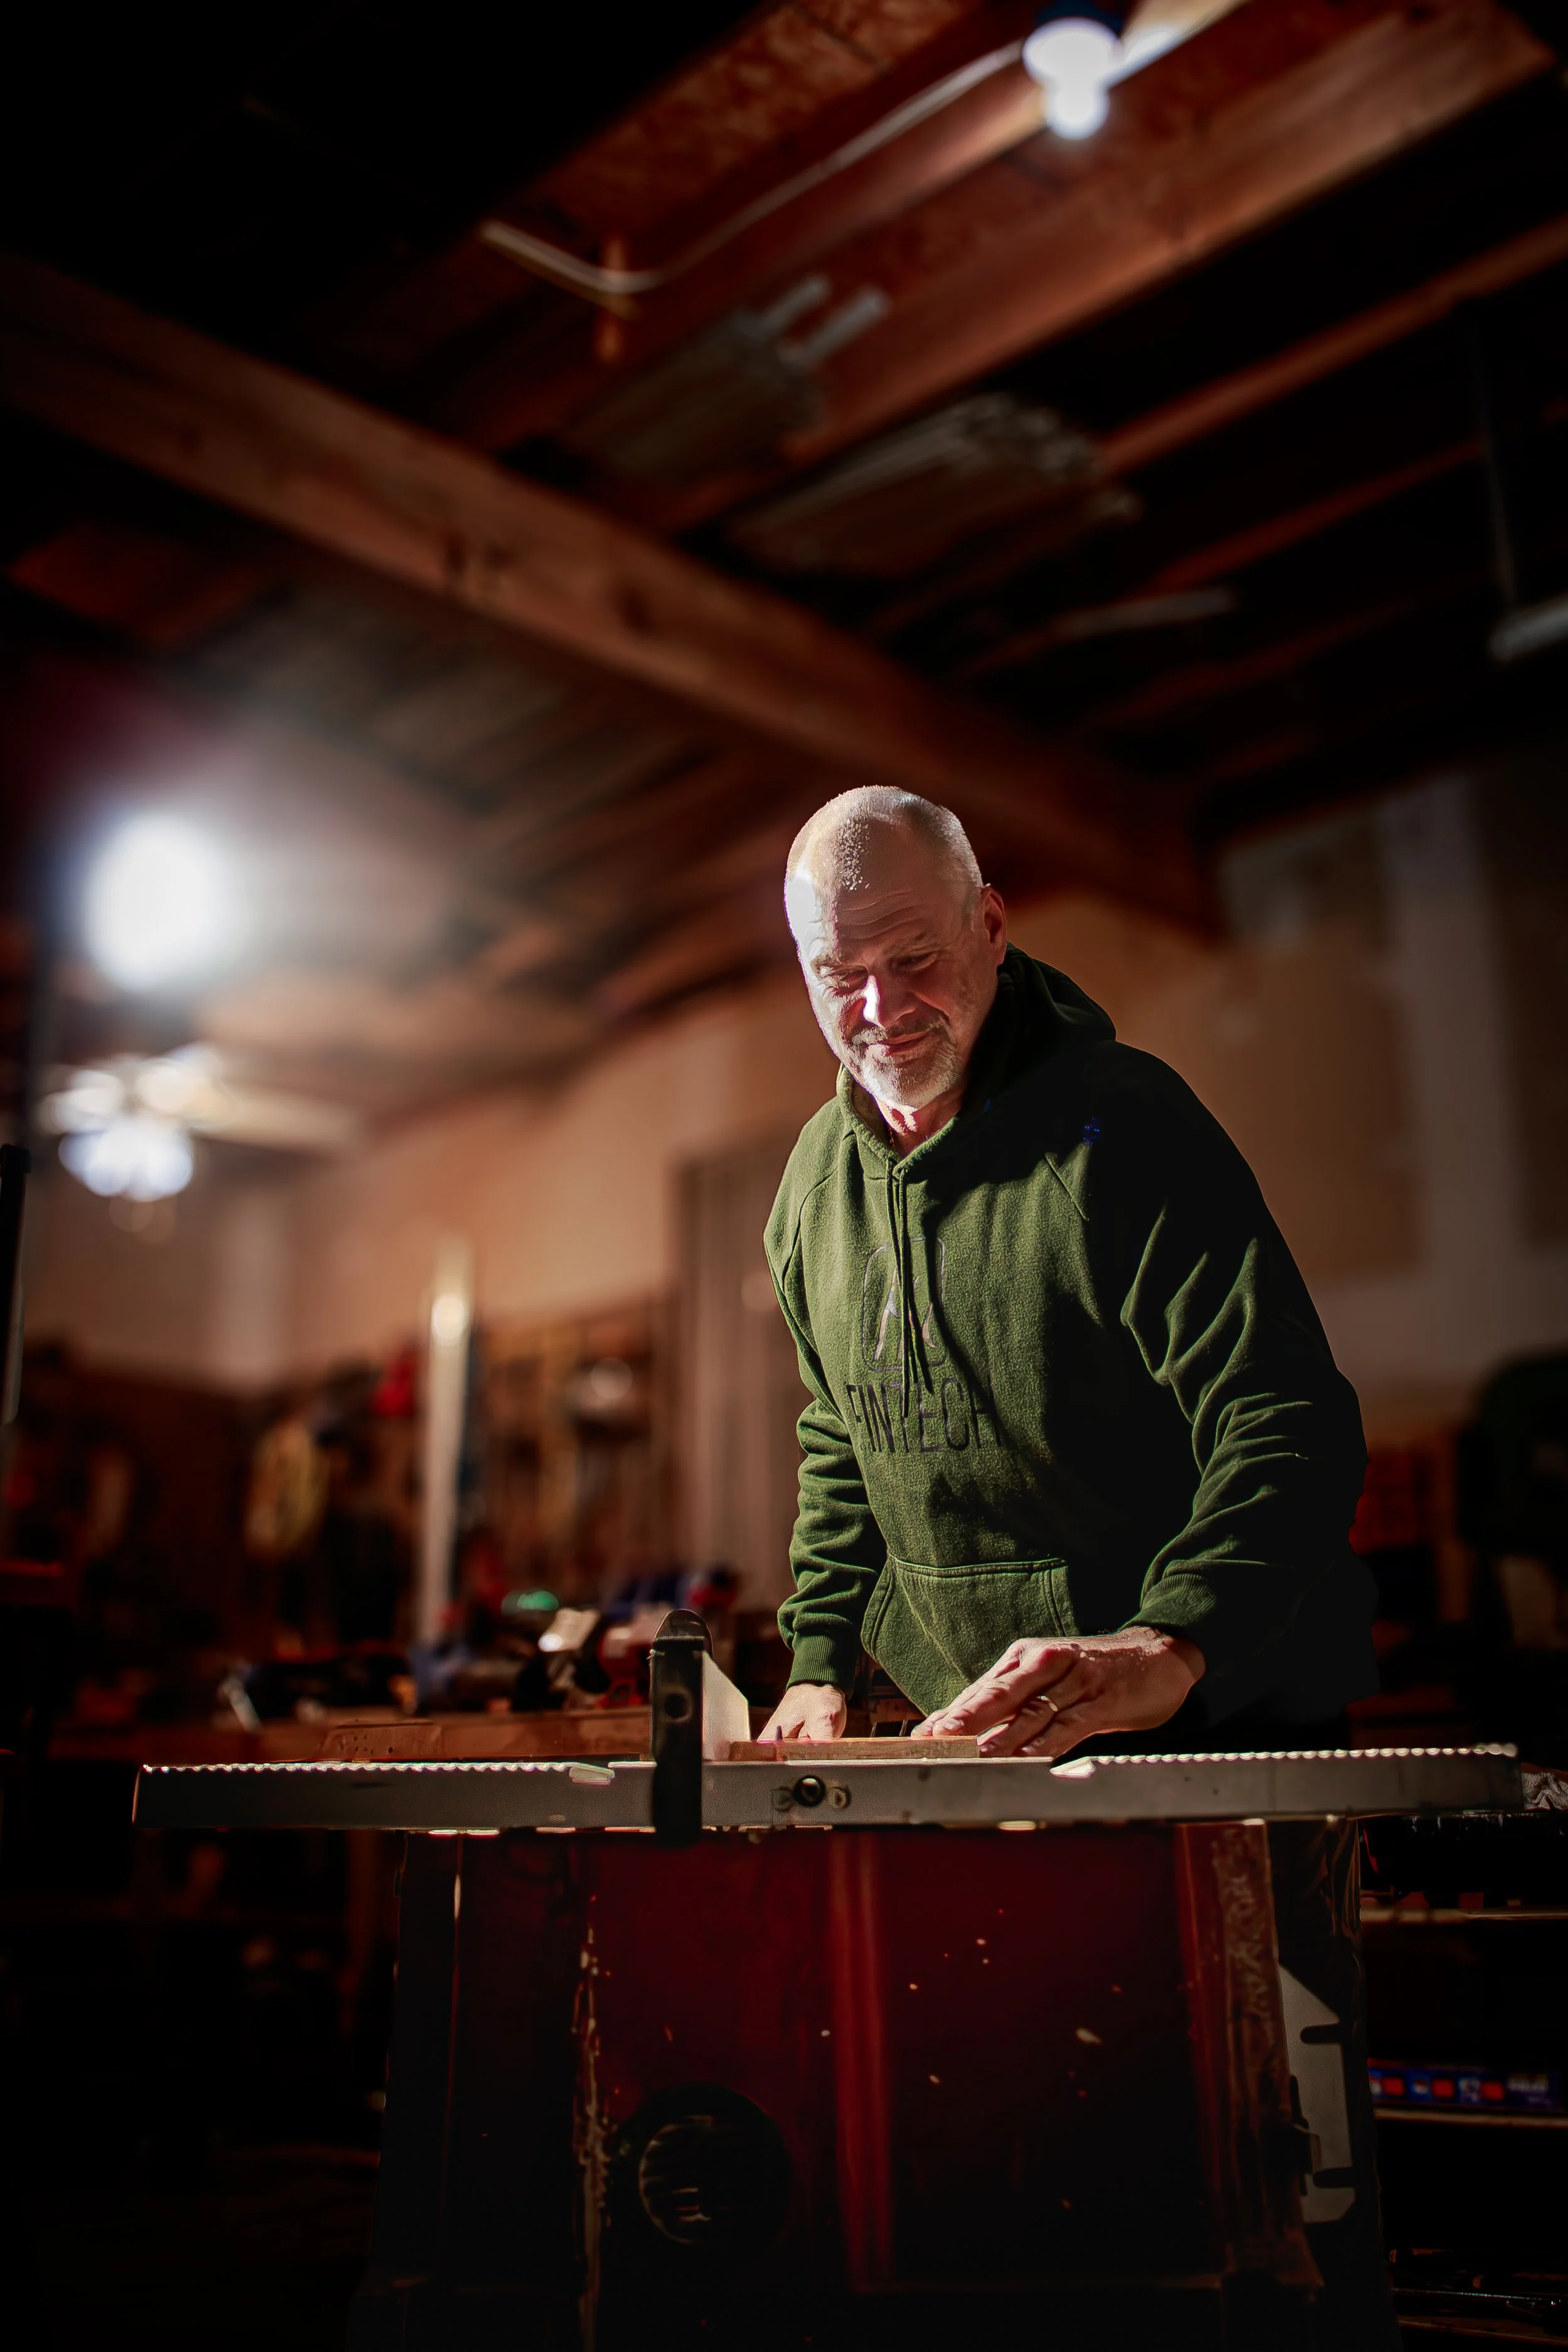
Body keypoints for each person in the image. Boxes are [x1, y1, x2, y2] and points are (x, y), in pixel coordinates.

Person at [756, 785, 1394, 2344]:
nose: (876, 1009)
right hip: (972, 1761)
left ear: (989, 925)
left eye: (913, 960)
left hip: (1216, 1737)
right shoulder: (804, 1197)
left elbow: (1286, 1420)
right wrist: (821, 1664)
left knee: (1258, 2211)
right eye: (838, 972)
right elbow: (839, 1440)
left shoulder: (1126, 1124)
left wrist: (1167, 1642)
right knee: (1019, 2198)